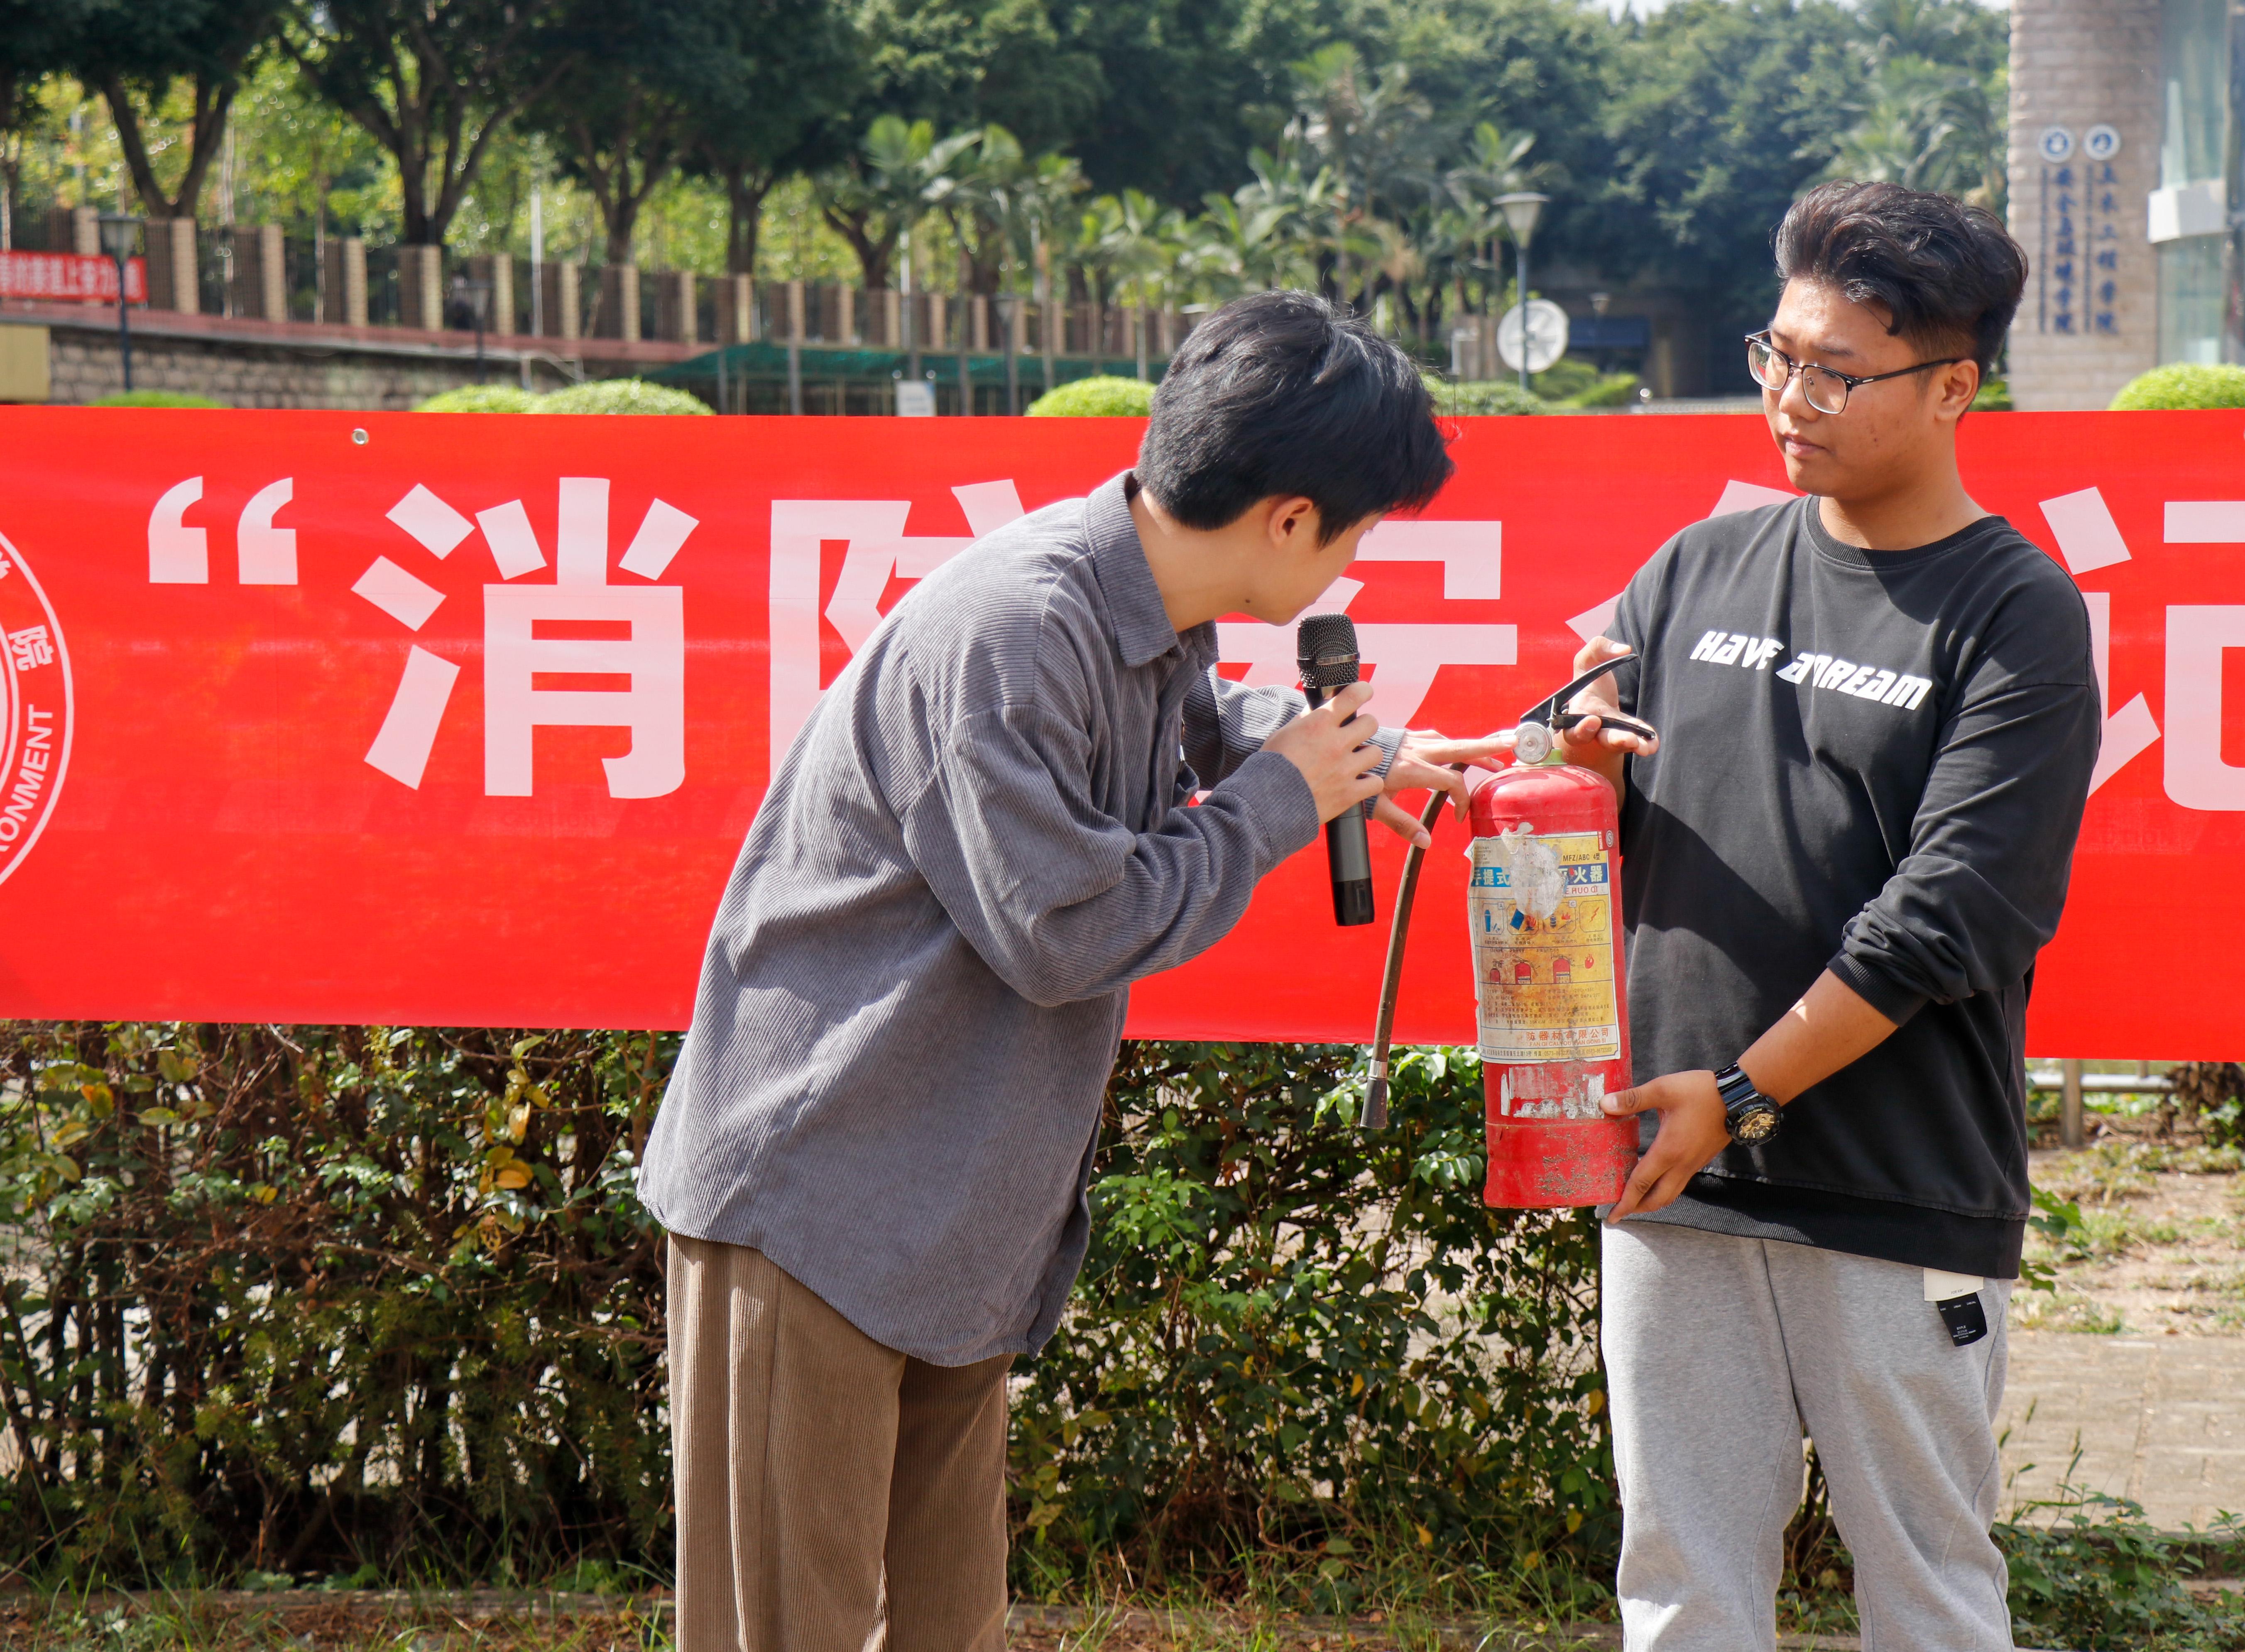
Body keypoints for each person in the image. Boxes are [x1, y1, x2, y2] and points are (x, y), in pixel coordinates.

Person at [639, 289, 1499, 1652]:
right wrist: (1281, 800)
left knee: (949, 1628)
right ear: (1289, 518)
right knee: (787, 1633)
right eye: (1358, 530)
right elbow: (1068, 931)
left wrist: (1364, 754)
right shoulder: (1016, 625)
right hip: (819, 1197)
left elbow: (1196, 723)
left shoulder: (1141, 601)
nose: (1354, 561)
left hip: (947, 1217)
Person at [1558, 181, 2103, 1650]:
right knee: (1681, 1586)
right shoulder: (1695, 568)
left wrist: (1743, 1091)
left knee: (1927, 1589)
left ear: (1953, 387)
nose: (1791, 400)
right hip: (1677, 1177)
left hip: (1893, 1188)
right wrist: (1573, 764)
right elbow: (1601, 803)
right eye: (1778, 356)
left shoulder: (2018, 615)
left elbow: (1950, 913)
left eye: (1838, 373)